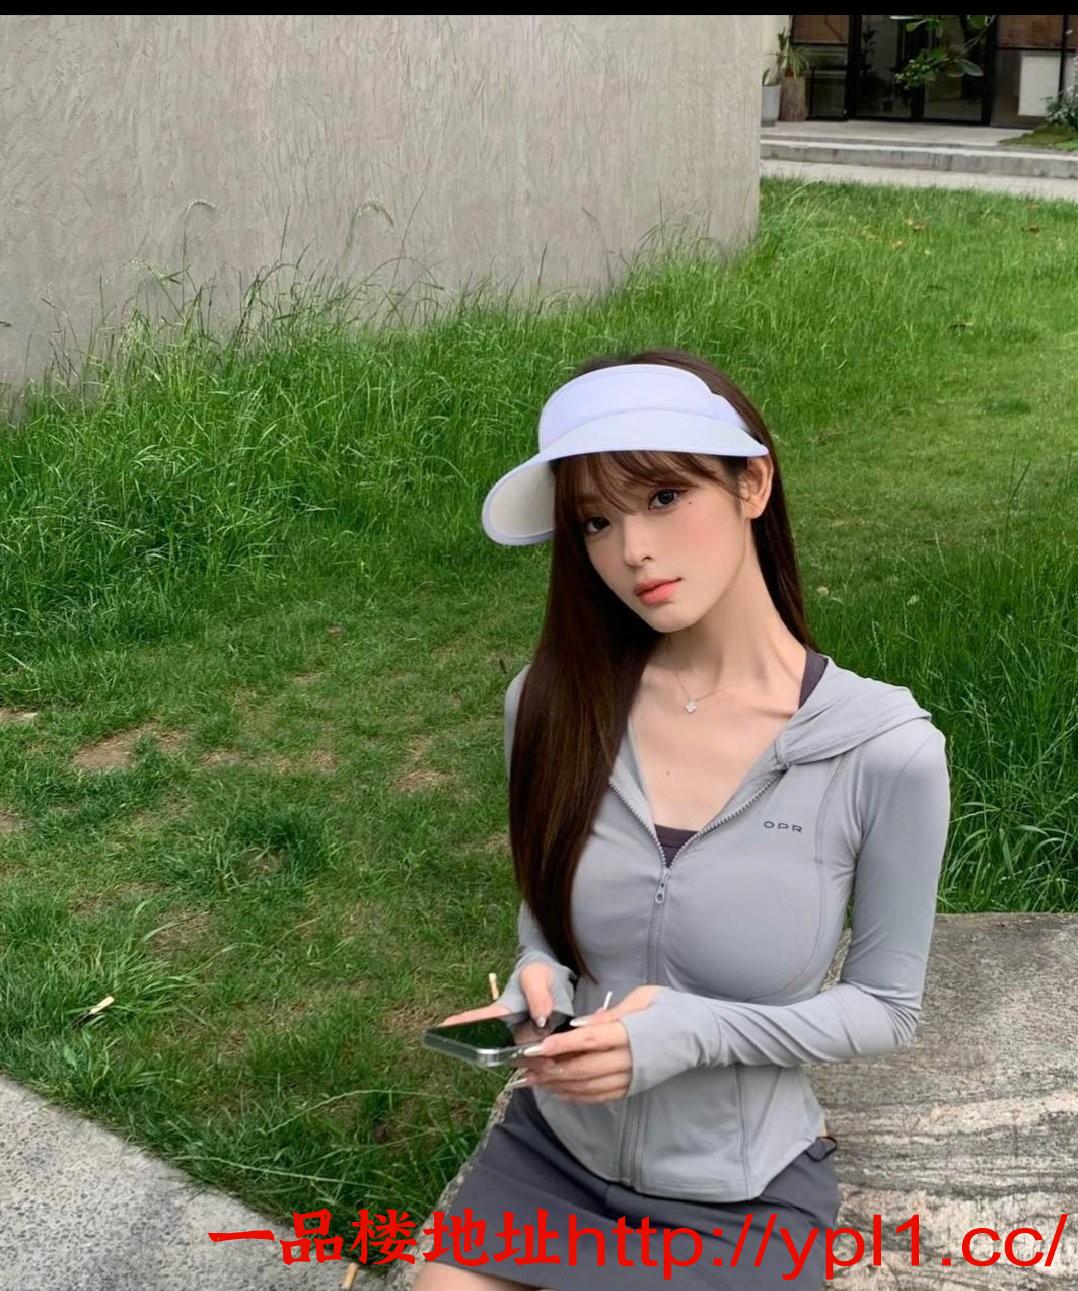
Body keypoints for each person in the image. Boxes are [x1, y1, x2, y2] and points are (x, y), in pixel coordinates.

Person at [414, 347, 952, 1290]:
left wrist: (693, 1032)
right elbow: (547, 910)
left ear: (753, 482)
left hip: (740, 1191)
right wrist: (539, 976)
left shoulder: (884, 750)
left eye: (663, 496)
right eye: (596, 520)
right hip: (553, 1156)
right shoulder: (548, 704)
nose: (632, 550)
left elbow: (886, 1007)